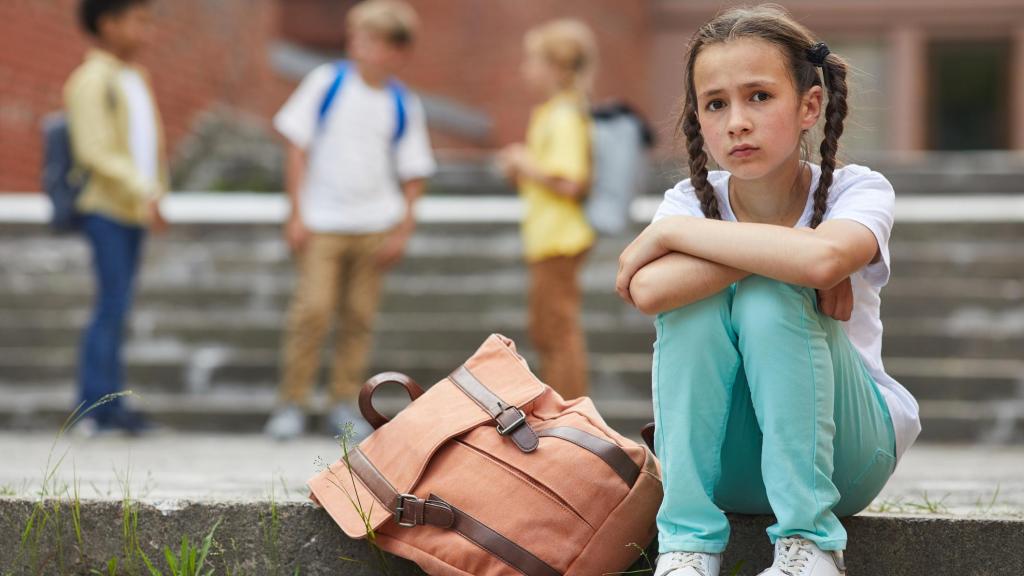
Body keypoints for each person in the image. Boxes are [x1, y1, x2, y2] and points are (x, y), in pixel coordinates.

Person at [615, 6, 921, 576]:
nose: (736, 121)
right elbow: (652, 291)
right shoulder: (690, 196)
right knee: (705, 301)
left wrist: (679, 236)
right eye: (716, 103)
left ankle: (811, 547)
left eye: (759, 96)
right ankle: (686, 547)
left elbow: (826, 256)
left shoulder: (858, 191)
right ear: (699, 119)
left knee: (768, 296)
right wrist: (787, 259)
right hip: (728, 464)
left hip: (845, 459)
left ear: (809, 106)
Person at [264, 0, 435, 441]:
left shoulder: (402, 102)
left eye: (371, 40)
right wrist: (296, 211)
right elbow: (296, 146)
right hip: (323, 222)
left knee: (358, 317)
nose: (358, 46)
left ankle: (343, 403)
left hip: (375, 225)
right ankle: (292, 401)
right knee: (313, 310)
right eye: (356, 37)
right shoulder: (326, 83)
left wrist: (402, 229)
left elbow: (414, 172)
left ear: (396, 51)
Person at [67, 0, 167, 435]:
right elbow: (94, 150)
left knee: (118, 305)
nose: (146, 30)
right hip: (107, 210)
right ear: (107, 24)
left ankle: (111, 404)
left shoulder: (134, 77)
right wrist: (143, 188)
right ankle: (93, 409)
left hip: (132, 210)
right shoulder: (92, 80)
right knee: (110, 306)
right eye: (138, 20)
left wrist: (154, 190)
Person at [498, 19, 597, 401]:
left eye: (533, 61)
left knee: (557, 332)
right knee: (548, 331)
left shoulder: (564, 116)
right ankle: (564, 412)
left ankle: (570, 415)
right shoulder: (553, 112)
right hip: (547, 238)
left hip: (560, 239)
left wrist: (525, 164)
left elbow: (571, 182)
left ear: (557, 68)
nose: (526, 69)